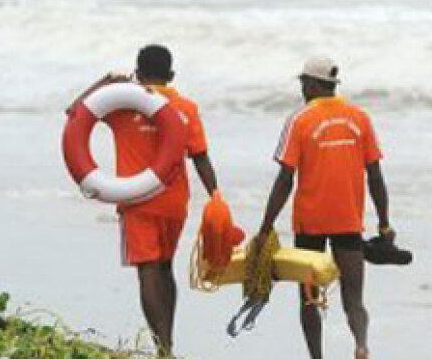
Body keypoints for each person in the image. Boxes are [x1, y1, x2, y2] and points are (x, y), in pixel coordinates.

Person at [69, 44, 219, 357]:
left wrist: (107, 82)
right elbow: (201, 157)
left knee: (147, 271)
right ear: (172, 75)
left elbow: (76, 113)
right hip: (175, 201)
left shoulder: (121, 105)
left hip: (137, 202)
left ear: (137, 72)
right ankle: (169, 343)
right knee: (165, 268)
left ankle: (163, 348)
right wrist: (216, 196)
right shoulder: (185, 107)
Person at [253, 56, 393, 359]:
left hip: (310, 223)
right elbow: (376, 176)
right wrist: (384, 223)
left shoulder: (299, 120)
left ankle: (316, 357)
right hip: (349, 220)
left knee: (309, 299)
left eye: (304, 82)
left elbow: (285, 179)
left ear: (314, 84)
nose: (302, 88)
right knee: (354, 298)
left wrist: (266, 226)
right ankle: (361, 345)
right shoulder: (360, 118)